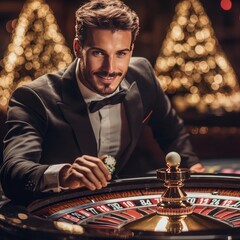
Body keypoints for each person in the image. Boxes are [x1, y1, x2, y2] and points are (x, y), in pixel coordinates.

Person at [0, 0, 205, 203]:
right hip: (54, 214)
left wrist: (190, 166)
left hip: (115, 210)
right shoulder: (33, 97)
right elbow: (13, 173)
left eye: (121, 54)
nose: (110, 68)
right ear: (78, 48)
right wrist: (62, 175)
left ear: (131, 51)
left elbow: (171, 129)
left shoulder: (142, 76)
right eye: (98, 53)